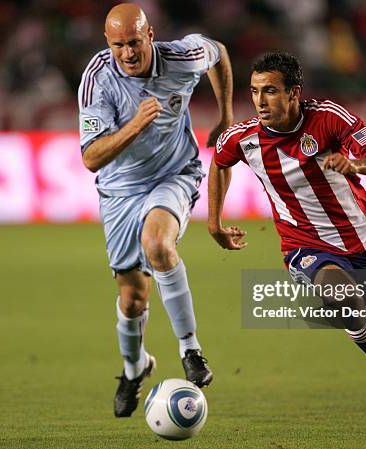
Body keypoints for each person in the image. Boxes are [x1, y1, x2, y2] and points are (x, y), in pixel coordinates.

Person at [207, 52, 366, 427]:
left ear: (294, 93)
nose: (260, 101)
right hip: (304, 246)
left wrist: (357, 164)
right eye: (254, 92)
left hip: (363, 240)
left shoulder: (330, 118)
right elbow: (219, 163)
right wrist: (214, 222)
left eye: (270, 91)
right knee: (341, 294)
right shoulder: (245, 137)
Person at [78, 3, 233, 418]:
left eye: (133, 42)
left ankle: (191, 350)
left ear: (150, 36)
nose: (127, 53)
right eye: (118, 45)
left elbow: (217, 51)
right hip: (120, 190)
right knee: (132, 298)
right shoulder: (98, 80)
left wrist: (227, 115)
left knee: (158, 245)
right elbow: (91, 157)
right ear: (108, 44)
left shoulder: (181, 57)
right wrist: (134, 125)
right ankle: (135, 368)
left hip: (175, 172)